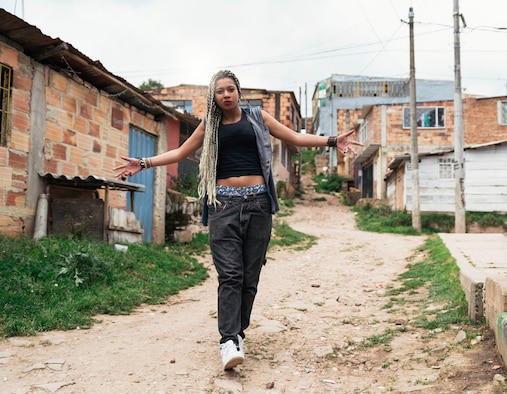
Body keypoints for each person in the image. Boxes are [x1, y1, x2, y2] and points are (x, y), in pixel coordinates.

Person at [114, 69, 361, 371]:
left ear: (238, 92)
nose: (226, 94)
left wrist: (333, 140)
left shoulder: (257, 117)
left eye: (230, 89)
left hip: (258, 204)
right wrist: (143, 162)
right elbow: (180, 152)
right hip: (223, 205)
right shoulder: (209, 124)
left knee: (249, 277)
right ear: (213, 96)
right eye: (220, 91)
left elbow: (294, 136)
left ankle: (237, 333)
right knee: (230, 274)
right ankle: (228, 340)